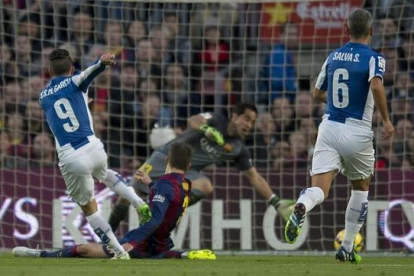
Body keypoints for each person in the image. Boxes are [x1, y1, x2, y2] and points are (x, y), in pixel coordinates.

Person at [284, 9, 394, 264]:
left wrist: (336, 101)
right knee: (361, 188)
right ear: (371, 31)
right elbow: (376, 85)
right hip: (357, 130)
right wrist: (387, 120)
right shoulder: (374, 58)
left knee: (320, 189)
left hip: (329, 127)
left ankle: (302, 204)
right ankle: (346, 247)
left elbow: (316, 93)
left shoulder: (333, 56)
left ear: (346, 29)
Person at [108, 102, 295, 231]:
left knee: (205, 186)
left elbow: (255, 177)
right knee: (126, 198)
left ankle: (158, 209)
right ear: (235, 116)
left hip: (187, 171)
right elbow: (193, 120)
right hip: (165, 157)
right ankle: (107, 236)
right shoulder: (216, 119)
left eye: (252, 122)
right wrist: (207, 130)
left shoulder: (238, 149)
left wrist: (276, 202)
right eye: (246, 118)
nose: (249, 124)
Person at [37, 49, 151, 260]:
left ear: (49, 70)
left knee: (89, 208)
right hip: (94, 148)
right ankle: (138, 201)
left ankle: (118, 251)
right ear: (71, 68)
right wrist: (102, 62)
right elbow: (89, 73)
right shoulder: (76, 81)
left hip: (71, 156)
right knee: (104, 173)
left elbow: (62, 106)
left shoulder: (43, 96)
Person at [12, 143, 216, 260]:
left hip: (144, 244)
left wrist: (130, 243)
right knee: (159, 253)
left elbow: (155, 220)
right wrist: (150, 183)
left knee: (83, 249)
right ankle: (183, 255)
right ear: (188, 165)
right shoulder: (185, 185)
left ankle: (42, 255)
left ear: (166, 160)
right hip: (161, 243)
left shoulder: (164, 185)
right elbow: (169, 198)